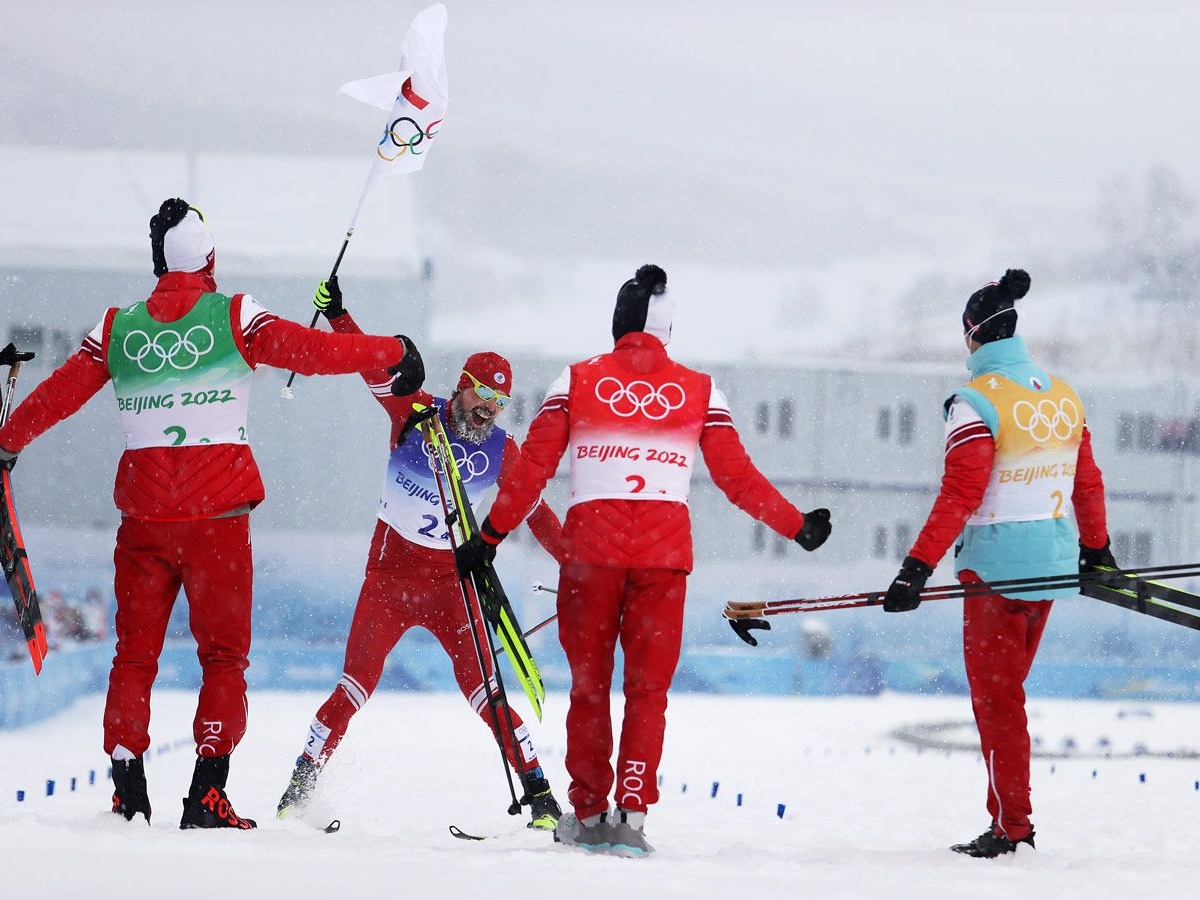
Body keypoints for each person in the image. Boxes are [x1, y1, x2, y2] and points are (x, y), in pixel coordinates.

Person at [0, 199, 423, 830]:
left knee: (133, 657)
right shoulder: (233, 315)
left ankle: (126, 789)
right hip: (218, 524)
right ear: (210, 258)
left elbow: (57, 396)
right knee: (223, 659)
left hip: (143, 522)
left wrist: (8, 444)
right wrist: (389, 349)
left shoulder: (117, 326)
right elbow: (310, 352)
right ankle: (207, 794)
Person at [454, 264, 833, 857]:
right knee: (647, 691)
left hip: (590, 558)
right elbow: (737, 479)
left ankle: (586, 812)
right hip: (662, 560)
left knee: (589, 687)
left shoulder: (576, 380)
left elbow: (533, 470)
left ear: (619, 323)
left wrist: (490, 536)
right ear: (666, 331)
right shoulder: (702, 390)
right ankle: (630, 814)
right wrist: (798, 526)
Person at [275, 277, 566, 829]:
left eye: (502, 403)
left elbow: (538, 515)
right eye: (485, 396)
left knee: (487, 693)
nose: (491, 411)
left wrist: (578, 566)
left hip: (450, 583)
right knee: (355, 684)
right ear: (464, 386)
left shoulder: (504, 452)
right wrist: (338, 314)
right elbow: (366, 366)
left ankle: (541, 797)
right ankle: (300, 785)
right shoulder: (416, 411)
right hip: (388, 575)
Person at [881, 268, 1114, 858]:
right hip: (1053, 569)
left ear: (971, 336)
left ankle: (1012, 827)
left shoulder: (974, 401)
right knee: (1007, 697)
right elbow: (1086, 480)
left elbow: (960, 494)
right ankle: (1011, 819)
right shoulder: (1063, 393)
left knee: (998, 702)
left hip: (994, 573)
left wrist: (915, 567)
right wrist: (1097, 548)